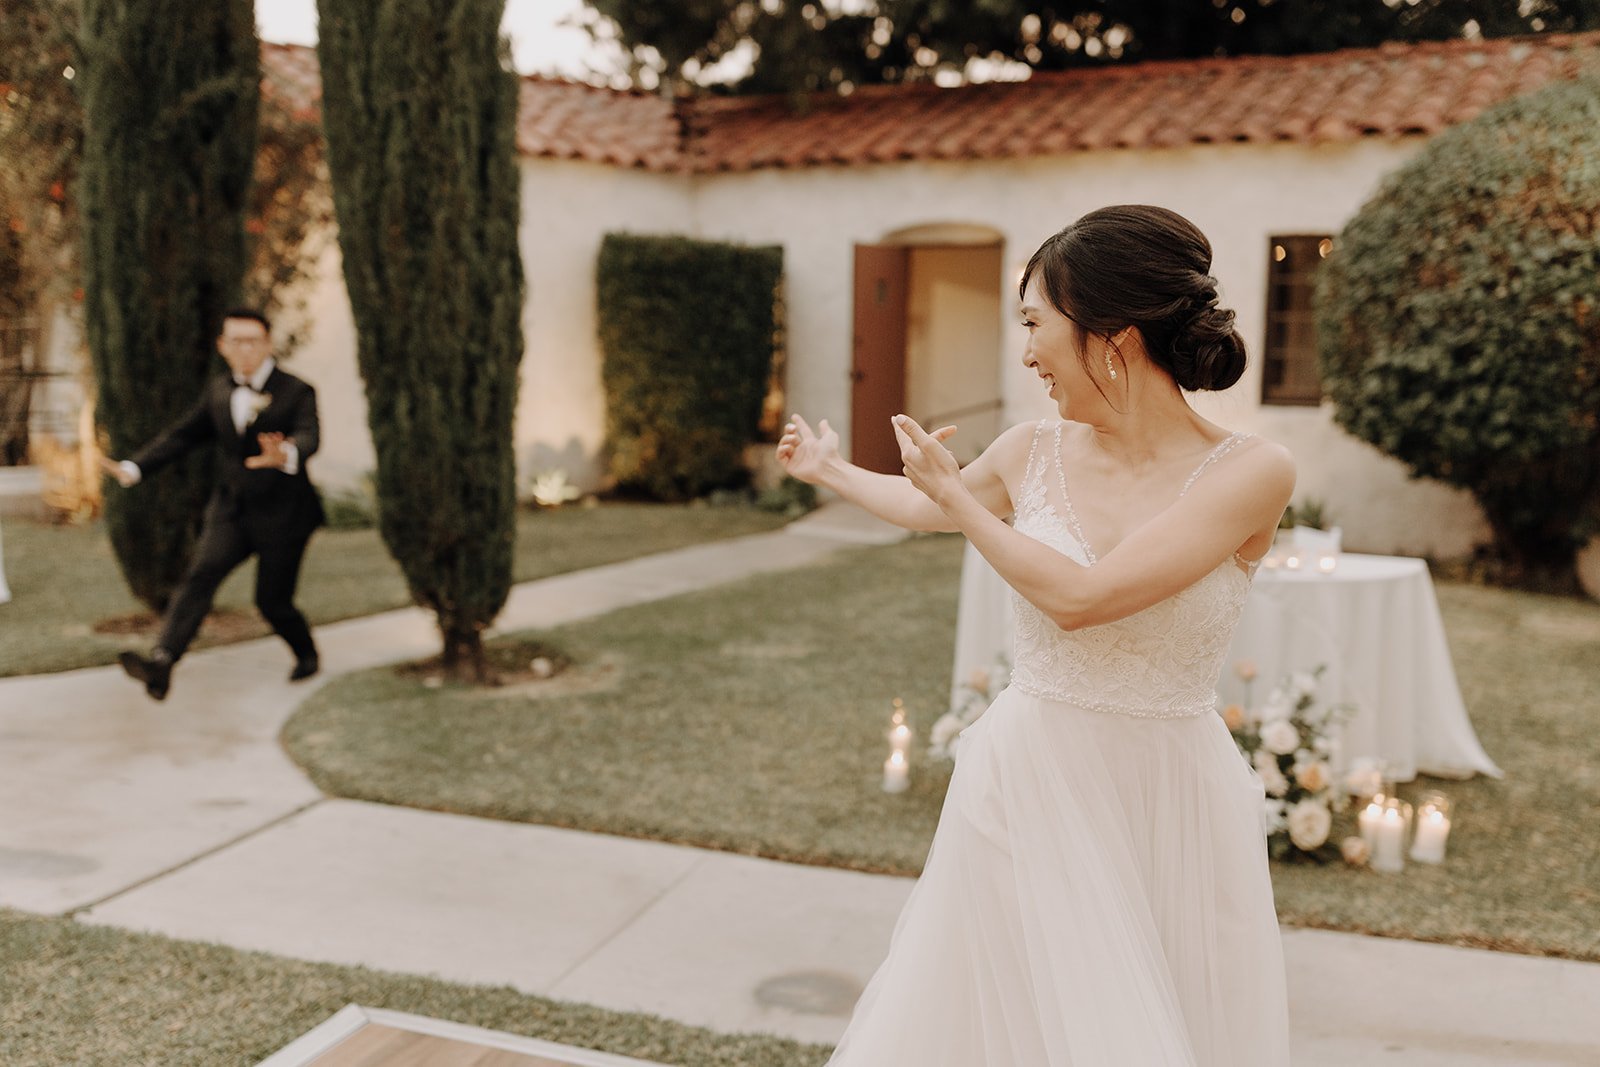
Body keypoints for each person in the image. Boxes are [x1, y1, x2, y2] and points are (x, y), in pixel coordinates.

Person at [777, 205, 1295, 1065]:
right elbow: (923, 505)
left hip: (1169, 798)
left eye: (1033, 323)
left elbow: (1085, 599)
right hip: (1029, 775)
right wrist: (829, 468)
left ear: (1112, 333)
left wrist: (954, 499)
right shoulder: (1030, 451)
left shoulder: (1250, 472)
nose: (1025, 354)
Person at [100, 308, 325, 700]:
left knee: (273, 602)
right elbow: (182, 436)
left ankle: (306, 655)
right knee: (199, 576)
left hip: (285, 516)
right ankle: (162, 662)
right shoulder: (219, 391)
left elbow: (310, 436)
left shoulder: (297, 391)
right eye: (236, 341)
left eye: (253, 340)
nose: (245, 349)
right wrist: (134, 468)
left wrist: (287, 452)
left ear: (268, 343)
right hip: (233, 510)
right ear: (222, 346)